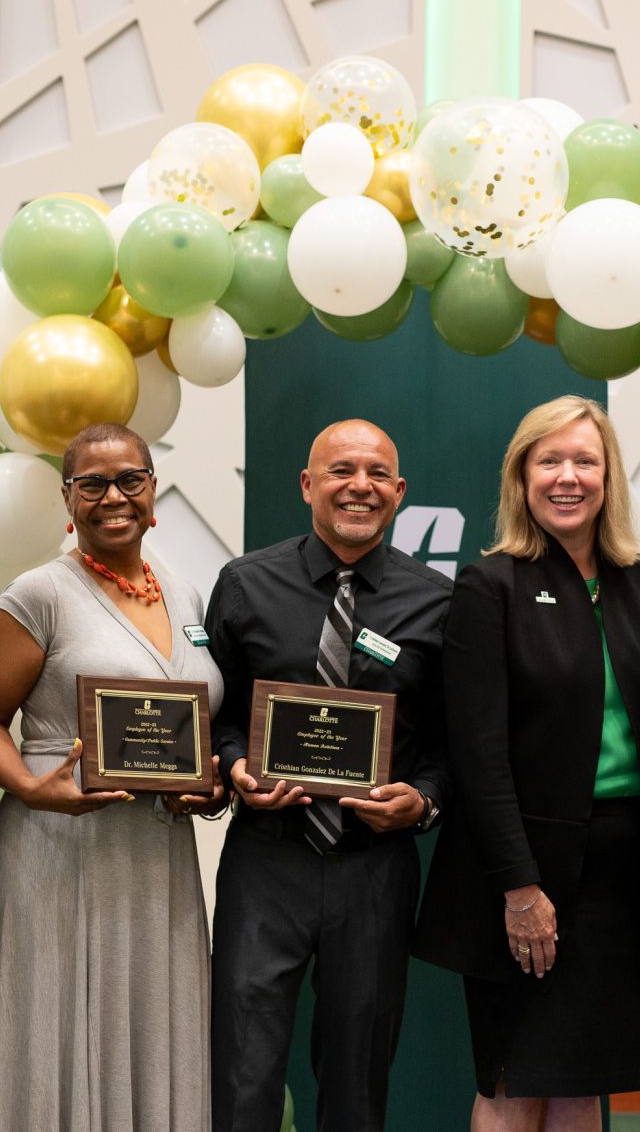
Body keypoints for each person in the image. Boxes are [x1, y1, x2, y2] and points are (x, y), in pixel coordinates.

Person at [416, 395, 640, 1132]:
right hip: (522, 877)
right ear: (522, 477)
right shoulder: (489, 585)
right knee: (515, 1084)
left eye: (585, 460)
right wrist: (519, 888)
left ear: (609, 478)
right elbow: (477, 752)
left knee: (582, 1085)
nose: (567, 477)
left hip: (622, 876)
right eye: (549, 460)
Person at [0, 422, 225, 1131]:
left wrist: (209, 785)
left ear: (152, 487)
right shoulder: (38, 593)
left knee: (149, 1024)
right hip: (59, 847)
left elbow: (193, 725)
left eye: (129, 479)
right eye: (92, 483)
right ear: (67, 498)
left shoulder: (184, 593)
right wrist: (27, 786)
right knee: (55, 1027)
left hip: (155, 855)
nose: (114, 496)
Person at [204, 419, 451, 1132]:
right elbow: (214, 716)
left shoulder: (437, 599)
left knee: (357, 1077)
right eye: (341, 470)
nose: (359, 486)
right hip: (265, 858)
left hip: (373, 868)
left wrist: (424, 802)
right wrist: (235, 764)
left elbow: (452, 743)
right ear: (309, 484)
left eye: (376, 473)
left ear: (398, 492)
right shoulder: (245, 584)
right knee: (242, 1070)